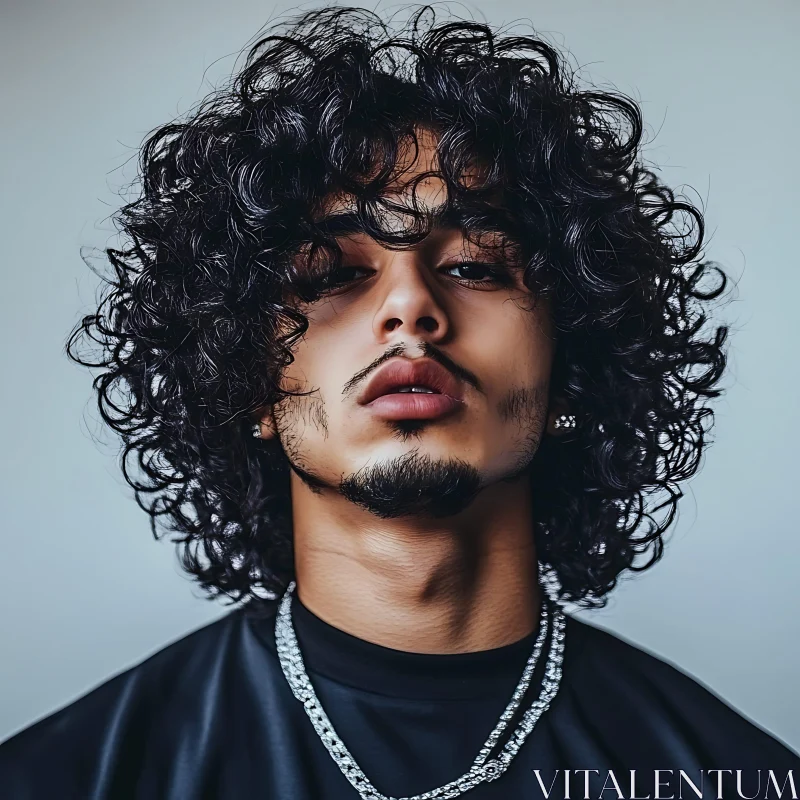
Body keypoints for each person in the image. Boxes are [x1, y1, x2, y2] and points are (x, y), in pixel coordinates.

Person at [1, 6, 797, 799]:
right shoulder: (65, 779)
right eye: (329, 274)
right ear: (245, 383)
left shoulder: (736, 780)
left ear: (573, 362)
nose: (410, 308)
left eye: (478, 266)